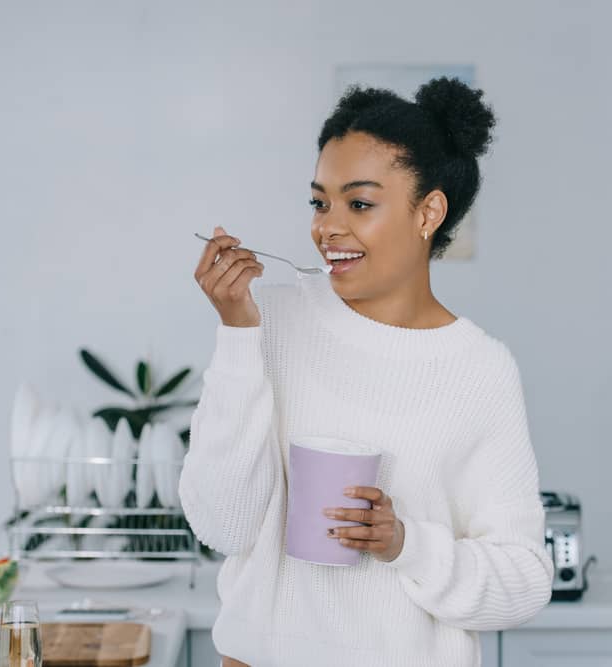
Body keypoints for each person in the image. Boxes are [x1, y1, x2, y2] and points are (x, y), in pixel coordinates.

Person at [179, 77, 553, 667]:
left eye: (359, 203)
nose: (328, 227)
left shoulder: (479, 369)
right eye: (319, 202)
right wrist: (237, 333)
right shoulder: (265, 319)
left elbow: (525, 580)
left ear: (428, 211)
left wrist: (405, 543)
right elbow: (222, 527)